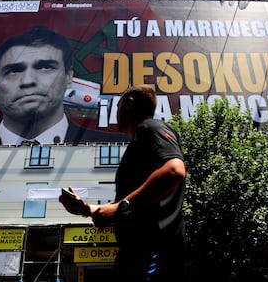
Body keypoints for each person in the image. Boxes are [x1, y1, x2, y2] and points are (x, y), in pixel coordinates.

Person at [59, 84, 186, 282]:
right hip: (137, 254)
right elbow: (127, 206)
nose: (115, 112)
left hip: (152, 251)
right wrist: (86, 209)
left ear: (129, 103)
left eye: (117, 106)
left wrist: (121, 207)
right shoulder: (139, 143)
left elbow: (174, 170)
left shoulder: (151, 127)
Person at [0, 26, 128, 145]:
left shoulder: (120, 144)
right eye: (14, 71)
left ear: (69, 78)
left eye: (45, 67)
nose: (28, 81)